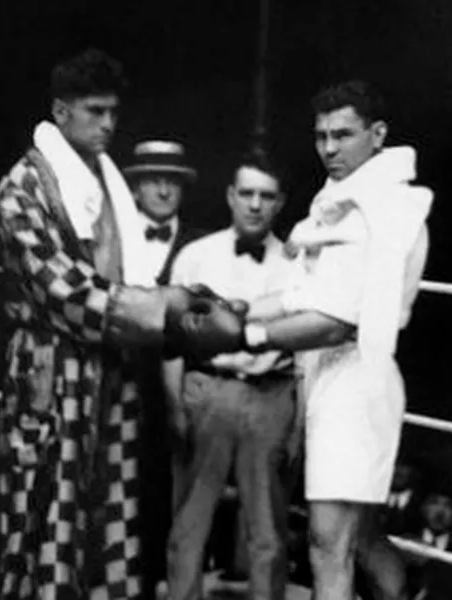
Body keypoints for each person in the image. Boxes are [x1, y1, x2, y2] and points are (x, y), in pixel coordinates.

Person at [0, 48, 246, 600]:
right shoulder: (21, 189)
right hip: (50, 371)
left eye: (112, 113)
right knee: (44, 508)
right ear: (60, 110)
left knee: (119, 511)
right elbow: (63, 292)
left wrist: (186, 306)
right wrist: (167, 308)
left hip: (115, 369)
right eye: (94, 111)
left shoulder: (106, 183)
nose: (107, 125)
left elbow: (128, 283)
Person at [244, 80, 433, 600]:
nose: (329, 149)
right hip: (324, 375)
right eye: (321, 136)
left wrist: (244, 332)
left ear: (377, 135)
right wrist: (232, 307)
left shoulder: (385, 210)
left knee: (329, 543)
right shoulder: (336, 201)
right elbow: (298, 294)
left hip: (358, 375)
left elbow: (335, 320)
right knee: (362, 536)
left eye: (343, 135)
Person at [163, 151, 298, 600]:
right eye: (247, 193)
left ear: (280, 203)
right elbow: (170, 341)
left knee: (268, 528)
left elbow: (308, 353)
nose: (255, 205)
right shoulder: (195, 257)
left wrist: (300, 420)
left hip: (270, 394)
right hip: (207, 391)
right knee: (190, 521)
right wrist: (174, 405)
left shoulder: (299, 266)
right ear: (230, 196)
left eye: (267, 196)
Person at [123, 139, 206, 598]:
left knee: (170, 479)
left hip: (177, 376)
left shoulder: (199, 244)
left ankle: (159, 580)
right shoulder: (112, 237)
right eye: (152, 179)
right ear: (135, 188)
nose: (162, 189)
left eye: (171, 181)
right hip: (122, 373)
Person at [124, 140, 204, 285]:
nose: (164, 192)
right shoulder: (115, 238)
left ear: (182, 189)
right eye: (154, 182)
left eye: (172, 182)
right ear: (134, 190)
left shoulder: (203, 244)